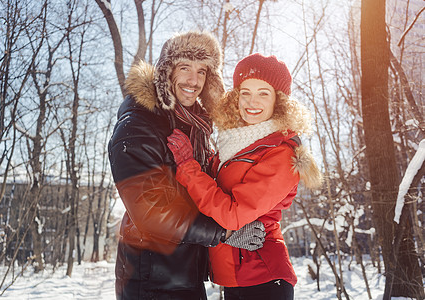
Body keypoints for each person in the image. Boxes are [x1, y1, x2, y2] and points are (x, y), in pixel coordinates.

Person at [108, 32, 266, 300]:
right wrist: (224, 233)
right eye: (184, 68)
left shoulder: (194, 128)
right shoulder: (138, 126)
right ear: (166, 73)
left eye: (202, 71)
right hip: (151, 280)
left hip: (186, 275)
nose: (194, 81)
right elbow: (151, 211)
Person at [167, 53, 323, 300]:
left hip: (263, 277)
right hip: (235, 277)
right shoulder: (234, 143)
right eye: (245, 92)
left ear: (278, 101)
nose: (252, 101)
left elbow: (234, 215)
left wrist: (188, 166)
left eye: (264, 93)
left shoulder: (281, 153)